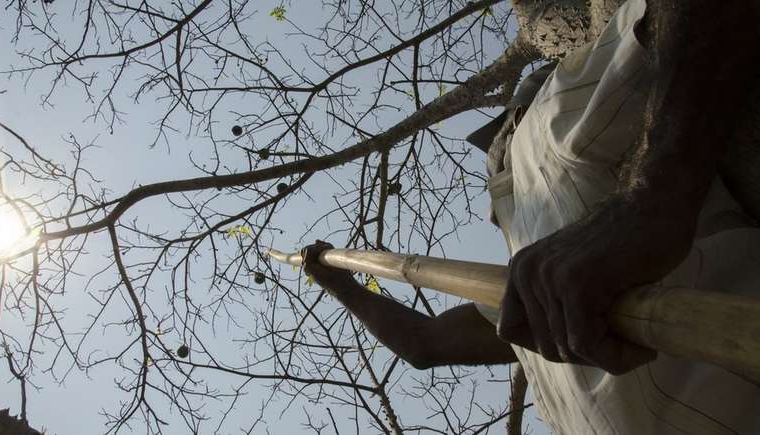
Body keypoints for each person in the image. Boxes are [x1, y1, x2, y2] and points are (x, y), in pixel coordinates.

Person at [303, 0, 760, 433]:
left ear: (513, 118)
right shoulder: (529, 285)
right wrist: (339, 283)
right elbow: (421, 344)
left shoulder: (542, 127)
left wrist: (651, 198)